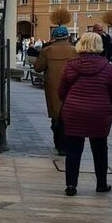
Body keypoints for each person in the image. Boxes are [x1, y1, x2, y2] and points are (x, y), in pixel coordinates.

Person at [58, 32, 112, 195]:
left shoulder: (71, 65)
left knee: (73, 149)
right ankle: (101, 184)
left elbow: (61, 91)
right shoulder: (107, 66)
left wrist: (71, 102)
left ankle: (71, 186)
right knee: (100, 148)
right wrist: (104, 104)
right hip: (99, 113)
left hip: (74, 111)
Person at [33, 26, 77, 155]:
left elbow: (38, 68)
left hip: (53, 88)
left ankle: (59, 144)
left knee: (56, 116)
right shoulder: (75, 50)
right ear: (67, 36)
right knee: (69, 116)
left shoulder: (47, 50)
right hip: (71, 87)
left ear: (54, 37)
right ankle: (67, 144)